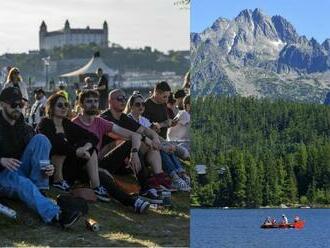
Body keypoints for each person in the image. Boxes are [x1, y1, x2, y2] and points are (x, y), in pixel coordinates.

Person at [0, 87, 81, 227]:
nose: (18, 108)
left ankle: (40, 190)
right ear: (2, 104)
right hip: (2, 175)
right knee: (22, 182)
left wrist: (48, 167)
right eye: (14, 105)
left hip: (19, 169)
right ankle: (55, 215)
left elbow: (36, 155)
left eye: (21, 104)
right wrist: (1, 160)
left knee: (41, 139)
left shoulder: (25, 128)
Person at [72, 90, 155, 207]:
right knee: (104, 177)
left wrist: (134, 152)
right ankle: (132, 202)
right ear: (81, 104)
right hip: (82, 167)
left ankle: (145, 189)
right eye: (89, 101)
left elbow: (134, 135)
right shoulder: (74, 124)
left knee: (129, 144)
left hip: (100, 163)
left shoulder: (99, 122)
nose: (93, 104)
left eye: (95, 101)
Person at [37, 93, 110, 202]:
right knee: (61, 145)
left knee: (91, 149)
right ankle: (58, 181)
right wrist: (76, 151)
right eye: (60, 105)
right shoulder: (45, 123)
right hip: (49, 169)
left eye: (66, 105)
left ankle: (96, 187)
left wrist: (85, 148)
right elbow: (55, 144)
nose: (64, 108)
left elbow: (92, 137)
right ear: (51, 108)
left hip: (68, 167)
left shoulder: (66, 123)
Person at [101, 89, 172, 191]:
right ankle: (146, 186)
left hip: (125, 160)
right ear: (110, 101)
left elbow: (146, 130)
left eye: (125, 99)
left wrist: (155, 139)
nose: (123, 101)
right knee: (135, 143)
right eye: (120, 99)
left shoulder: (123, 118)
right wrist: (145, 141)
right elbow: (122, 137)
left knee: (150, 146)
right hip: (109, 160)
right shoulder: (104, 118)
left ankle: (159, 177)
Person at [125, 91, 190, 191]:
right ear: (131, 106)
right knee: (161, 149)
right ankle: (175, 177)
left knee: (165, 148)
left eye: (143, 104)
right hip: (139, 149)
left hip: (150, 146)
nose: (141, 106)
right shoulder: (128, 119)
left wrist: (160, 136)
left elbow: (152, 133)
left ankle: (181, 173)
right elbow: (140, 137)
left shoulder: (143, 120)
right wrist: (163, 145)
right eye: (138, 104)